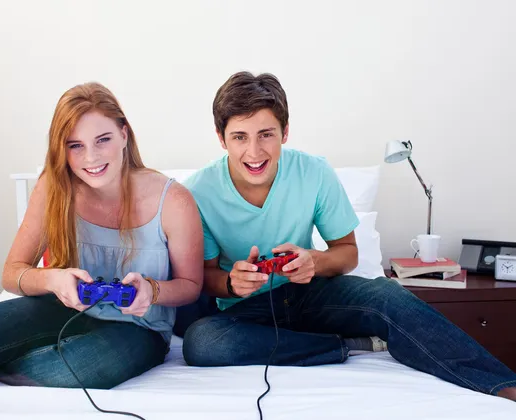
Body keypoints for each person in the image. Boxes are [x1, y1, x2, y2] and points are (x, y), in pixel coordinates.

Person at [177, 71, 516, 401]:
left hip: (309, 294)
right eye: (240, 137)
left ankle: (501, 385)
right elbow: (205, 278)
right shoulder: (198, 192)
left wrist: (314, 260)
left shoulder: (314, 172)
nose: (254, 152)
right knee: (201, 342)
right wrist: (234, 283)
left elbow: (348, 253)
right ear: (221, 138)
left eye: (266, 134)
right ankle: (342, 345)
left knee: (387, 296)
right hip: (246, 310)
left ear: (285, 132)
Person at [0, 82, 204, 396]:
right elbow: (12, 273)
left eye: (102, 140)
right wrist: (54, 280)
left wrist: (153, 290)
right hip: (64, 309)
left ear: (124, 134)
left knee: (69, 370)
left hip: (139, 328)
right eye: (75, 145)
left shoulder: (174, 200)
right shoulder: (53, 188)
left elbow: (191, 286)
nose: (91, 157)